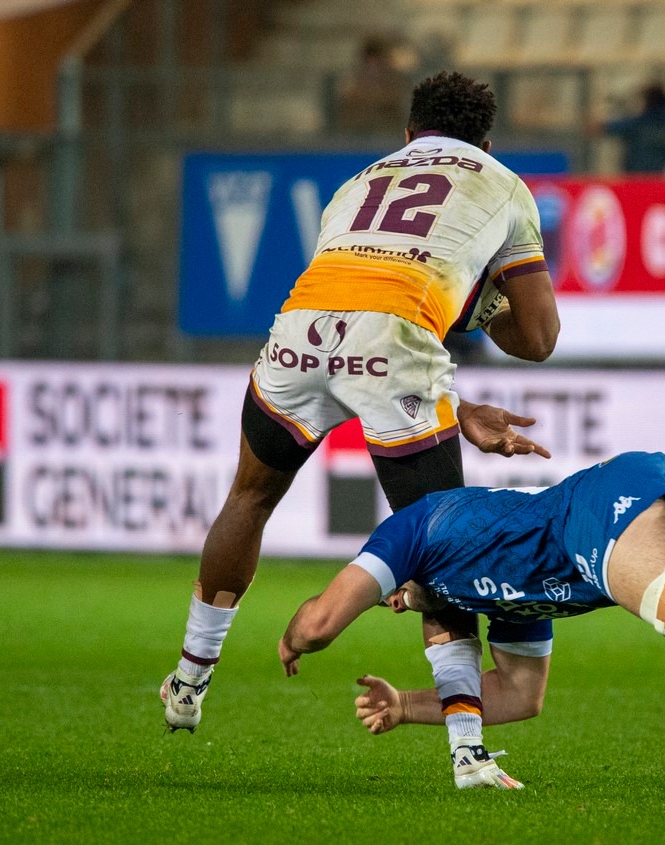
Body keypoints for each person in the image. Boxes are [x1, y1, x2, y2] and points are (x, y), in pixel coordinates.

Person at [162, 72, 562, 781]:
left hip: (299, 328)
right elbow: (537, 337)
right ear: (487, 141)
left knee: (248, 497)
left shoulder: (358, 181)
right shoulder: (502, 182)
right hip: (394, 342)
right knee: (439, 536)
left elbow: (358, 285)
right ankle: (467, 750)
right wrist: (478, 306)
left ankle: (189, 680)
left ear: (409, 136)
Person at [278, 385, 665, 804]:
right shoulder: (504, 603)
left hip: (588, 519)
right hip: (637, 476)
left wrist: (292, 635)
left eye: (393, 596)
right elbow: (521, 696)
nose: (393, 603)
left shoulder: (414, 529)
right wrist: (406, 706)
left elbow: (321, 622)